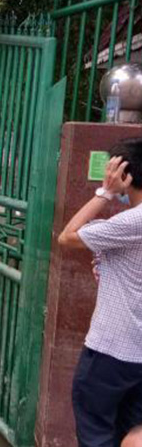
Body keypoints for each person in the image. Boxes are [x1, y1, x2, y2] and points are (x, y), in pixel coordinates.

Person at [59, 138, 142, 447]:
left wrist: (105, 192)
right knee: (132, 433)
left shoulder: (133, 220)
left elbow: (67, 237)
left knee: (96, 434)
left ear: (125, 174)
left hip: (112, 350)